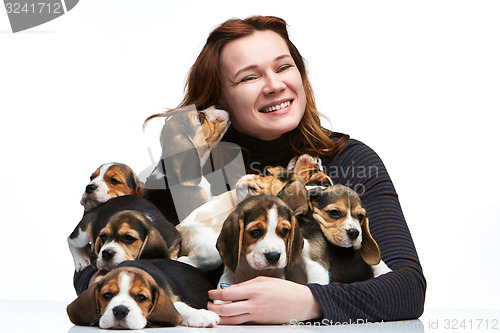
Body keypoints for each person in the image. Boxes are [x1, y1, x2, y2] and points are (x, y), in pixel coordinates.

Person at [74, 15, 426, 325]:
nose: (274, 85)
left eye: (284, 67)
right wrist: (96, 280)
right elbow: (103, 260)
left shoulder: (350, 161)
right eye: (249, 77)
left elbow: (409, 288)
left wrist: (310, 302)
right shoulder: (186, 176)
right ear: (220, 100)